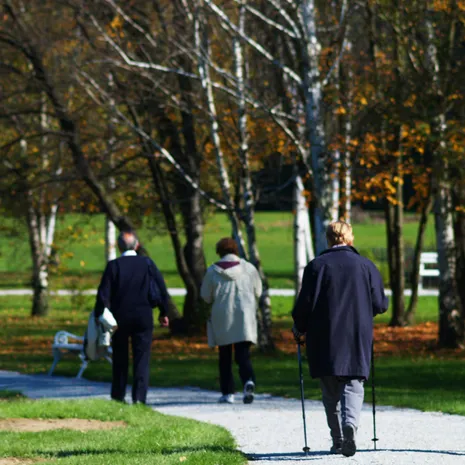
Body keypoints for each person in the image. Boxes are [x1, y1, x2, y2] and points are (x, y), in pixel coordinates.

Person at [292, 221, 388, 457]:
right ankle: (350, 426)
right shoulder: (365, 265)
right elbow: (380, 304)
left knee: (330, 389)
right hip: (356, 332)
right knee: (354, 382)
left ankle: (337, 440)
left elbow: (304, 305)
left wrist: (299, 329)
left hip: (324, 334)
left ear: (328, 239)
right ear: (350, 238)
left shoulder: (316, 266)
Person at [94, 231, 169, 404]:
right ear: (137, 245)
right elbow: (161, 289)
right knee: (142, 358)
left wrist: (99, 315)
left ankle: (118, 396)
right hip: (143, 316)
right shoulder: (147, 263)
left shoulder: (114, 266)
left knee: (119, 358)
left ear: (119, 247)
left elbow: (103, 294)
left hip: (119, 318)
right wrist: (163, 312)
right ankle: (139, 399)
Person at [200, 237, 262, 404]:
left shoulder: (213, 271)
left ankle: (228, 393)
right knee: (243, 354)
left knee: (225, 356)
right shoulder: (249, 269)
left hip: (222, 316)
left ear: (219, 252)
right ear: (236, 250)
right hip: (244, 315)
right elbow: (258, 291)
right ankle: (248, 380)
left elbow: (205, 296)